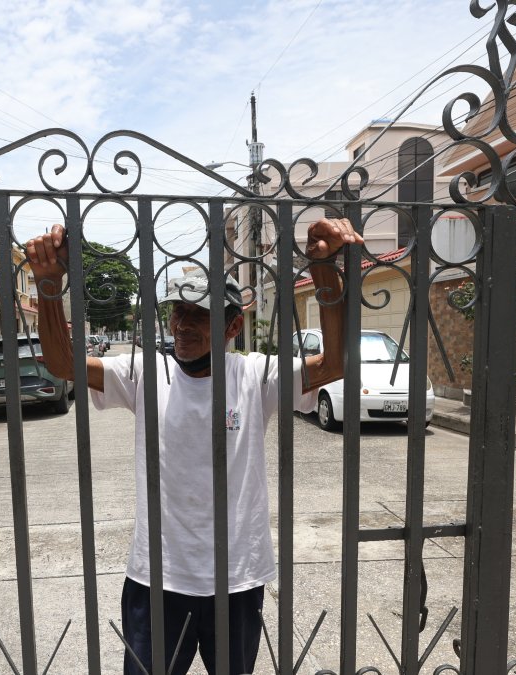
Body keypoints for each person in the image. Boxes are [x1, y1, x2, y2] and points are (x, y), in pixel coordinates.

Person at [25, 218, 363, 674]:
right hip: (156, 579)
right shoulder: (146, 373)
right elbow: (64, 363)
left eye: (199, 315)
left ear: (232, 325)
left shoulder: (254, 376)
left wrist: (323, 269)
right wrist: (49, 285)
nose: (181, 325)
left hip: (237, 577)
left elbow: (333, 365)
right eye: (177, 312)